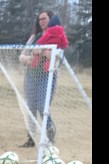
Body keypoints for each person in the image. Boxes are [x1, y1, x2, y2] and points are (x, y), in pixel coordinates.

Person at [18, 10, 68, 148]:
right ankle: (31, 137)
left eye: (44, 18)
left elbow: (61, 58)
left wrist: (50, 55)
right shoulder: (35, 37)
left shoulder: (57, 36)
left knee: (42, 105)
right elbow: (22, 55)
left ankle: (50, 134)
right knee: (31, 106)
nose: (41, 21)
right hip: (31, 75)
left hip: (47, 75)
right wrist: (26, 59)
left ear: (50, 19)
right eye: (39, 19)